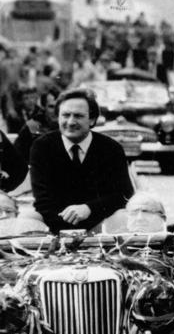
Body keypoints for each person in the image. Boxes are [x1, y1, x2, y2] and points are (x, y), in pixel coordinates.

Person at [30, 88, 135, 232]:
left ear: (92, 119)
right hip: (54, 226)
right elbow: (42, 200)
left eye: (78, 116)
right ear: (58, 117)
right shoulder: (42, 146)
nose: (71, 122)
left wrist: (89, 208)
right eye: (65, 115)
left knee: (124, 217)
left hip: (100, 224)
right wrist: (64, 231)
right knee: (27, 218)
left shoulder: (111, 148)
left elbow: (124, 195)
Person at [14, 88, 60, 162]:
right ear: (43, 107)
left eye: (59, 107)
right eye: (51, 107)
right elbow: (17, 156)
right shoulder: (31, 126)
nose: (56, 111)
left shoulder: (69, 126)